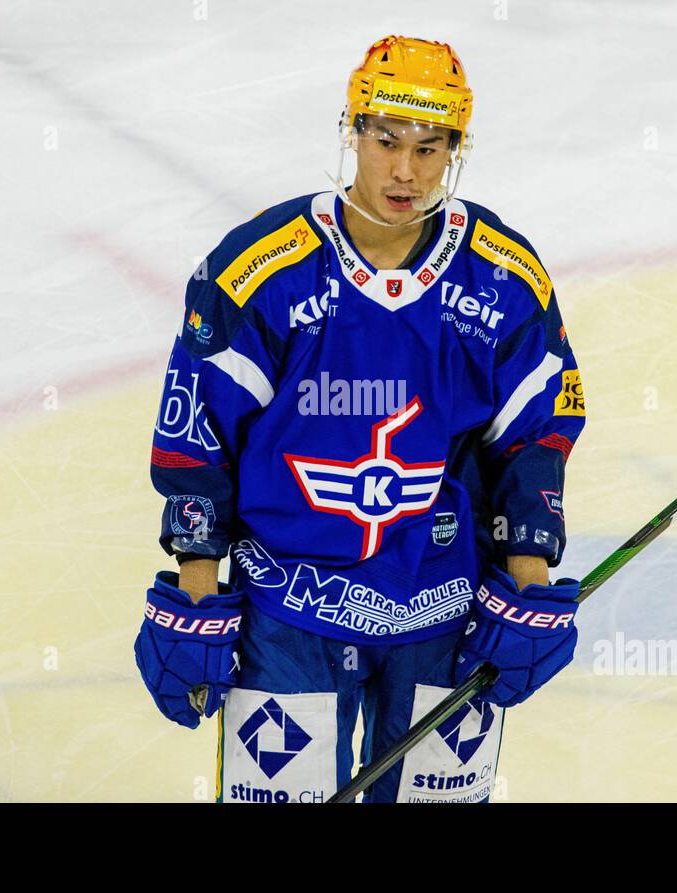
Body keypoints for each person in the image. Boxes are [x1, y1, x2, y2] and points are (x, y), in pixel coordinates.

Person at [135, 35, 586, 803]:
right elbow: (197, 438)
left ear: (455, 148)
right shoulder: (258, 269)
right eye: (385, 140)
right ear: (354, 129)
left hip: (442, 606)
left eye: (429, 145)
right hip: (289, 610)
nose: (404, 171)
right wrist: (199, 588)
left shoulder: (505, 278)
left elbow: (534, 438)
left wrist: (528, 576)